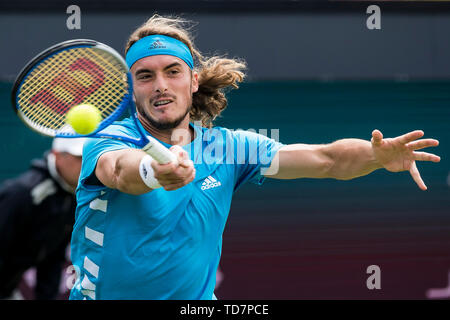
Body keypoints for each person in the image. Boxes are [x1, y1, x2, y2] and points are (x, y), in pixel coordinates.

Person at [69, 14, 441, 300]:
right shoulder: (109, 140)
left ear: (193, 80)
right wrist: (155, 171)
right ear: (131, 88)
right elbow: (120, 171)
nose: (161, 85)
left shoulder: (230, 147)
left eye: (172, 71)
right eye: (145, 76)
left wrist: (375, 156)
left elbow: (325, 159)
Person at [0, 137, 86, 299]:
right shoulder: (22, 193)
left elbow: (52, 260)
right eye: (79, 158)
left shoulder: (75, 196)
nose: (85, 164)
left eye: (88, 158)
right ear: (57, 155)